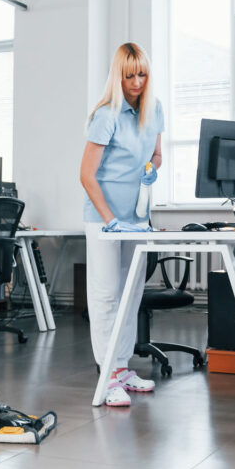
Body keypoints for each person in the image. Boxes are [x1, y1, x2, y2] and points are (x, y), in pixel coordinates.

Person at [79, 43, 164, 407]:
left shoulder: (154, 109)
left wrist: (152, 169)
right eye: (129, 76)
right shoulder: (106, 114)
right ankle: (108, 373)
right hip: (104, 220)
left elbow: (157, 154)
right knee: (106, 296)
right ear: (118, 76)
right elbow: (86, 175)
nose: (136, 82)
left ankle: (123, 366)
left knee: (130, 296)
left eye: (142, 74)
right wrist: (110, 220)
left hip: (137, 219)